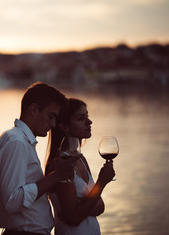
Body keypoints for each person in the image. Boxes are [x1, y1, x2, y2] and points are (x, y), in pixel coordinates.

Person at [0, 82, 77, 235]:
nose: (53, 124)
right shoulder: (16, 142)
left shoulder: (20, 141)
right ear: (34, 109)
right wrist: (56, 176)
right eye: (51, 116)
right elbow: (12, 200)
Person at [45, 98, 115, 235]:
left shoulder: (80, 159)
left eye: (87, 117)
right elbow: (75, 219)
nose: (89, 122)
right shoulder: (60, 164)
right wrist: (101, 182)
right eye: (80, 118)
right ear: (64, 127)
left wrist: (82, 206)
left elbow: (100, 207)